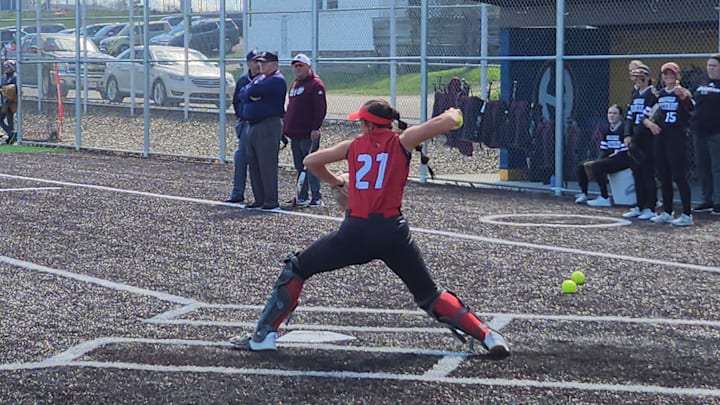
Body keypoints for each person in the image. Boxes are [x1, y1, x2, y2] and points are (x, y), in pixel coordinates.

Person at [229, 100, 511, 358]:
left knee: (298, 268)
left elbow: (311, 161)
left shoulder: (353, 146)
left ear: (367, 124)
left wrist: (337, 182)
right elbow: (447, 122)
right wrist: (456, 113)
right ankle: (487, 335)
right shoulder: (402, 140)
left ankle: (263, 336)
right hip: (393, 231)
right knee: (429, 294)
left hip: (356, 231)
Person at [645, 62, 695, 226]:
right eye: (665, 75)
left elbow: (692, 110)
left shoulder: (682, 92)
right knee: (663, 174)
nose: (668, 77)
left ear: (677, 76)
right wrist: (651, 124)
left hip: (676, 135)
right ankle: (667, 211)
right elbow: (646, 115)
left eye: (671, 75)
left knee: (679, 175)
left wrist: (683, 97)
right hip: (661, 136)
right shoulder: (659, 95)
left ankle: (687, 214)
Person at [240, 51, 287, 211]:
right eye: (260, 62)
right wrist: (250, 92)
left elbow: (252, 92)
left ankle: (270, 200)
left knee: (267, 164)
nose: (262, 65)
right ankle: (259, 199)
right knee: (254, 163)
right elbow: (243, 93)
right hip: (252, 125)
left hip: (268, 125)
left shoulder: (276, 80)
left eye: (265, 62)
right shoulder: (260, 78)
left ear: (275, 64)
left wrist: (251, 92)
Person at [284, 53, 327, 207]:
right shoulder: (295, 84)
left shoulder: (315, 85)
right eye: (295, 66)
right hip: (295, 134)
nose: (298, 69)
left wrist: (315, 127)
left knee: (311, 165)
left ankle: (316, 197)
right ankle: (301, 195)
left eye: (301, 66)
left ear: (308, 66)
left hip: (308, 133)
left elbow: (320, 109)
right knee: (299, 166)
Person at [224, 50, 262, 204]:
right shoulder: (243, 80)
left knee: (259, 161)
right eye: (254, 61)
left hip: (261, 126)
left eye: (260, 61)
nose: (258, 64)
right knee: (241, 158)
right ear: (248, 63)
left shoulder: (266, 79)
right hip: (246, 124)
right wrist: (241, 117)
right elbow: (236, 101)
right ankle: (237, 192)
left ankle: (261, 196)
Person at [621, 64, 658, 220]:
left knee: (647, 173)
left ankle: (651, 206)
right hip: (634, 139)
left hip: (646, 139)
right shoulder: (635, 94)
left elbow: (646, 118)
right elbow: (630, 116)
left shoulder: (652, 94)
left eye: (641, 77)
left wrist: (635, 137)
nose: (638, 81)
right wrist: (627, 134)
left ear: (648, 78)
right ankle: (639, 205)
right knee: (636, 173)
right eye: (635, 77)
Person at [574, 105, 630, 207]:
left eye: (615, 113)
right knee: (582, 166)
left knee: (597, 165)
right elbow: (603, 150)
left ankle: (604, 197)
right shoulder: (605, 130)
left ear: (621, 116)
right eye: (609, 113)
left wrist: (600, 162)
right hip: (609, 158)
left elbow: (623, 152)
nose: (611, 116)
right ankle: (584, 193)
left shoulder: (624, 129)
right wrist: (599, 160)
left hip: (622, 159)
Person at [691, 54, 720, 215]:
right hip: (699, 131)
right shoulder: (700, 82)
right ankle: (706, 199)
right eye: (709, 65)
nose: (710, 68)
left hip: (716, 132)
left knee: (717, 168)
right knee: (703, 167)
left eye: (714, 66)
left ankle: (718, 201)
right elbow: (692, 102)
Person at [0, 59, 17, 144]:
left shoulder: (15, 77)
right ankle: (11, 133)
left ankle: (11, 137)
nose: (6, 68)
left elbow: (16, 90)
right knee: (1, 119)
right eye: (5, 67)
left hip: (11, 103)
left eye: (8, 67)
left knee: (10, 119)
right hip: (3, 102)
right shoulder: (3, 77)